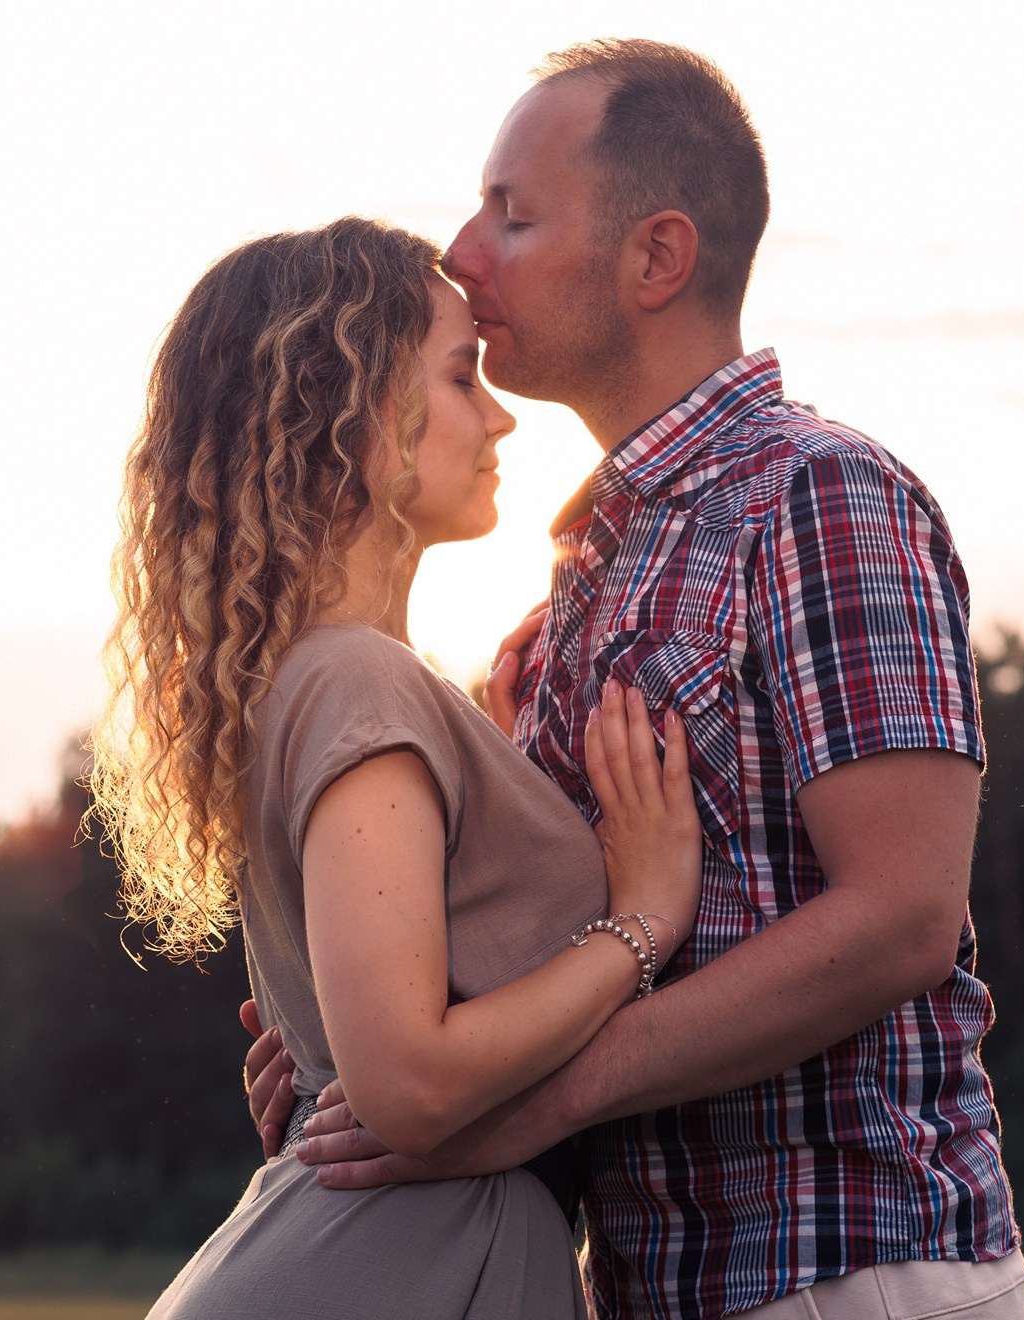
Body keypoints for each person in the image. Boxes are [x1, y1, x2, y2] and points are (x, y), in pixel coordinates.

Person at [246, 40, 1024, 1320]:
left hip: (849, 1273)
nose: (464, 249)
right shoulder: (572, 594)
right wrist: (354, 1044)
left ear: (657, 258)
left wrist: (536, 1104)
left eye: (514, 211)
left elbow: (902, 918)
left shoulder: (819, 497)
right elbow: (547, 942)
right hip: (651, 1285)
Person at [89, 216, 708, 1318]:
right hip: (398, 1258)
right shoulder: (356, 684)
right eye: (462, 376)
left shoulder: (331, 683)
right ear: (354, 412)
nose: (501, 415)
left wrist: (504, 766)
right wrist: (644, 920)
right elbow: (409, 1084)